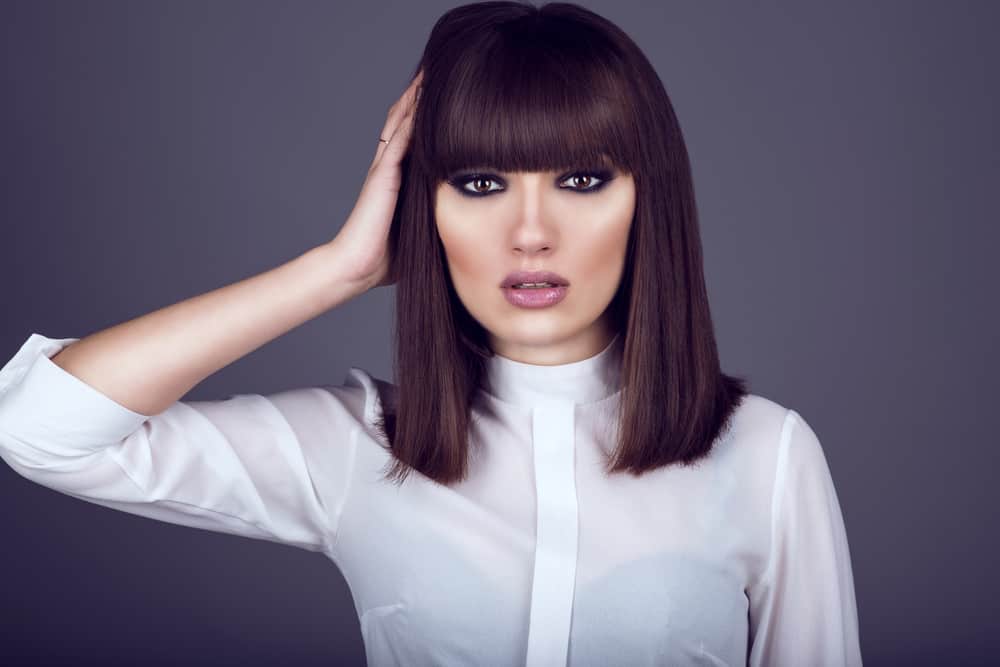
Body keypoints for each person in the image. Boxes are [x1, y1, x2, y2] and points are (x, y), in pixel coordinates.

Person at [0, 2, 862, 665]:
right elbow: (39, 429)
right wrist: (336, 267)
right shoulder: (359, 448)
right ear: (427, 206)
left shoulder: (766, 455)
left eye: (583, 177)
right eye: (481, 182)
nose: (531, 231)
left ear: (648, 201)